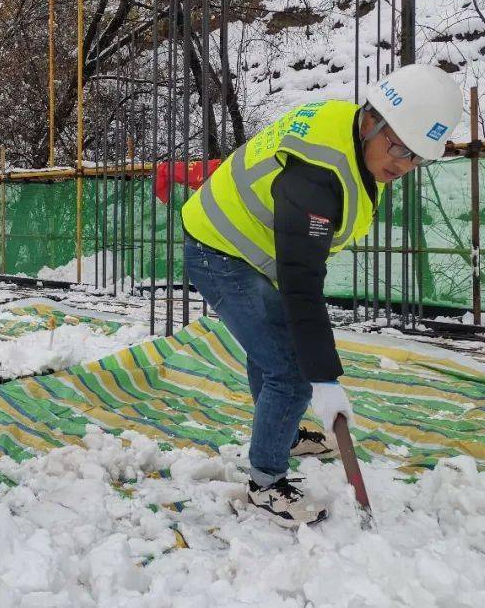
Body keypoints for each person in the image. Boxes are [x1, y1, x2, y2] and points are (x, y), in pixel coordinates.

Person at [181, 63, 463, 526]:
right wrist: (324, 379)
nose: (402, 165)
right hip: (220, 249)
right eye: (397, 148)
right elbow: (301, 280)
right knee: (290, 371)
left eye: (416, 157)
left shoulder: (350, 135)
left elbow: (301, 270)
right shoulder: (320, 176)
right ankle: (265, 482)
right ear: (371, 120)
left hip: (248, 245)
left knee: (274, 350)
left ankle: (281, 430)